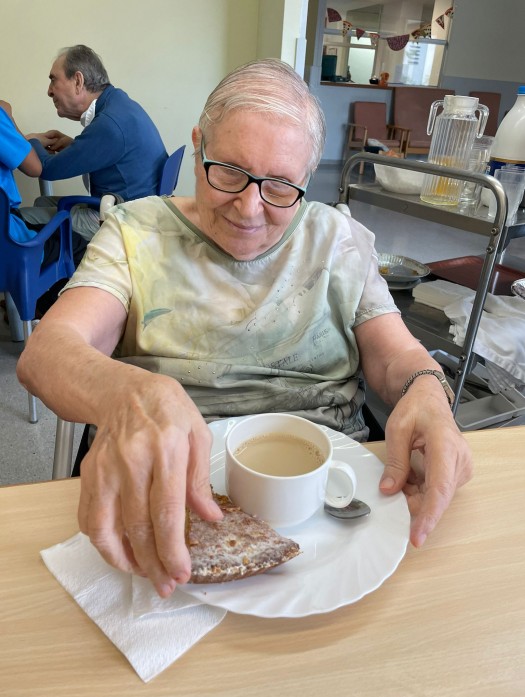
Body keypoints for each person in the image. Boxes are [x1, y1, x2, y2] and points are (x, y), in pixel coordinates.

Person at [17, 59, 473, 599]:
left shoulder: (337, 238)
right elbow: (48, 352)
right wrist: (126, 393)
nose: (250, 208)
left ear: (307, 180)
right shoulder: (135, 232)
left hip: (330, 490)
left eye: (280, 186)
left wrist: (427, 389)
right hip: (163, 482)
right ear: (198, 147)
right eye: (229, 171)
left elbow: (395, 356)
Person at [20, 44, 167, 252]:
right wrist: (73, 145)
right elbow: (112, 154)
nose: (49, 91)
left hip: (125, 221)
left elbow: (47, 169)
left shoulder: (109, 124)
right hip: (138, 210)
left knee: (20, 219)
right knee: (42, 202)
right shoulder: (119, 103)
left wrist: (32, 140)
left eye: (54, 80)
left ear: (78, 81)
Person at [0, 99, 42, 243]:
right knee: (78, 243)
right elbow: (35, 168)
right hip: (7, 238)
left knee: (41, 203)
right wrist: (8, 118)